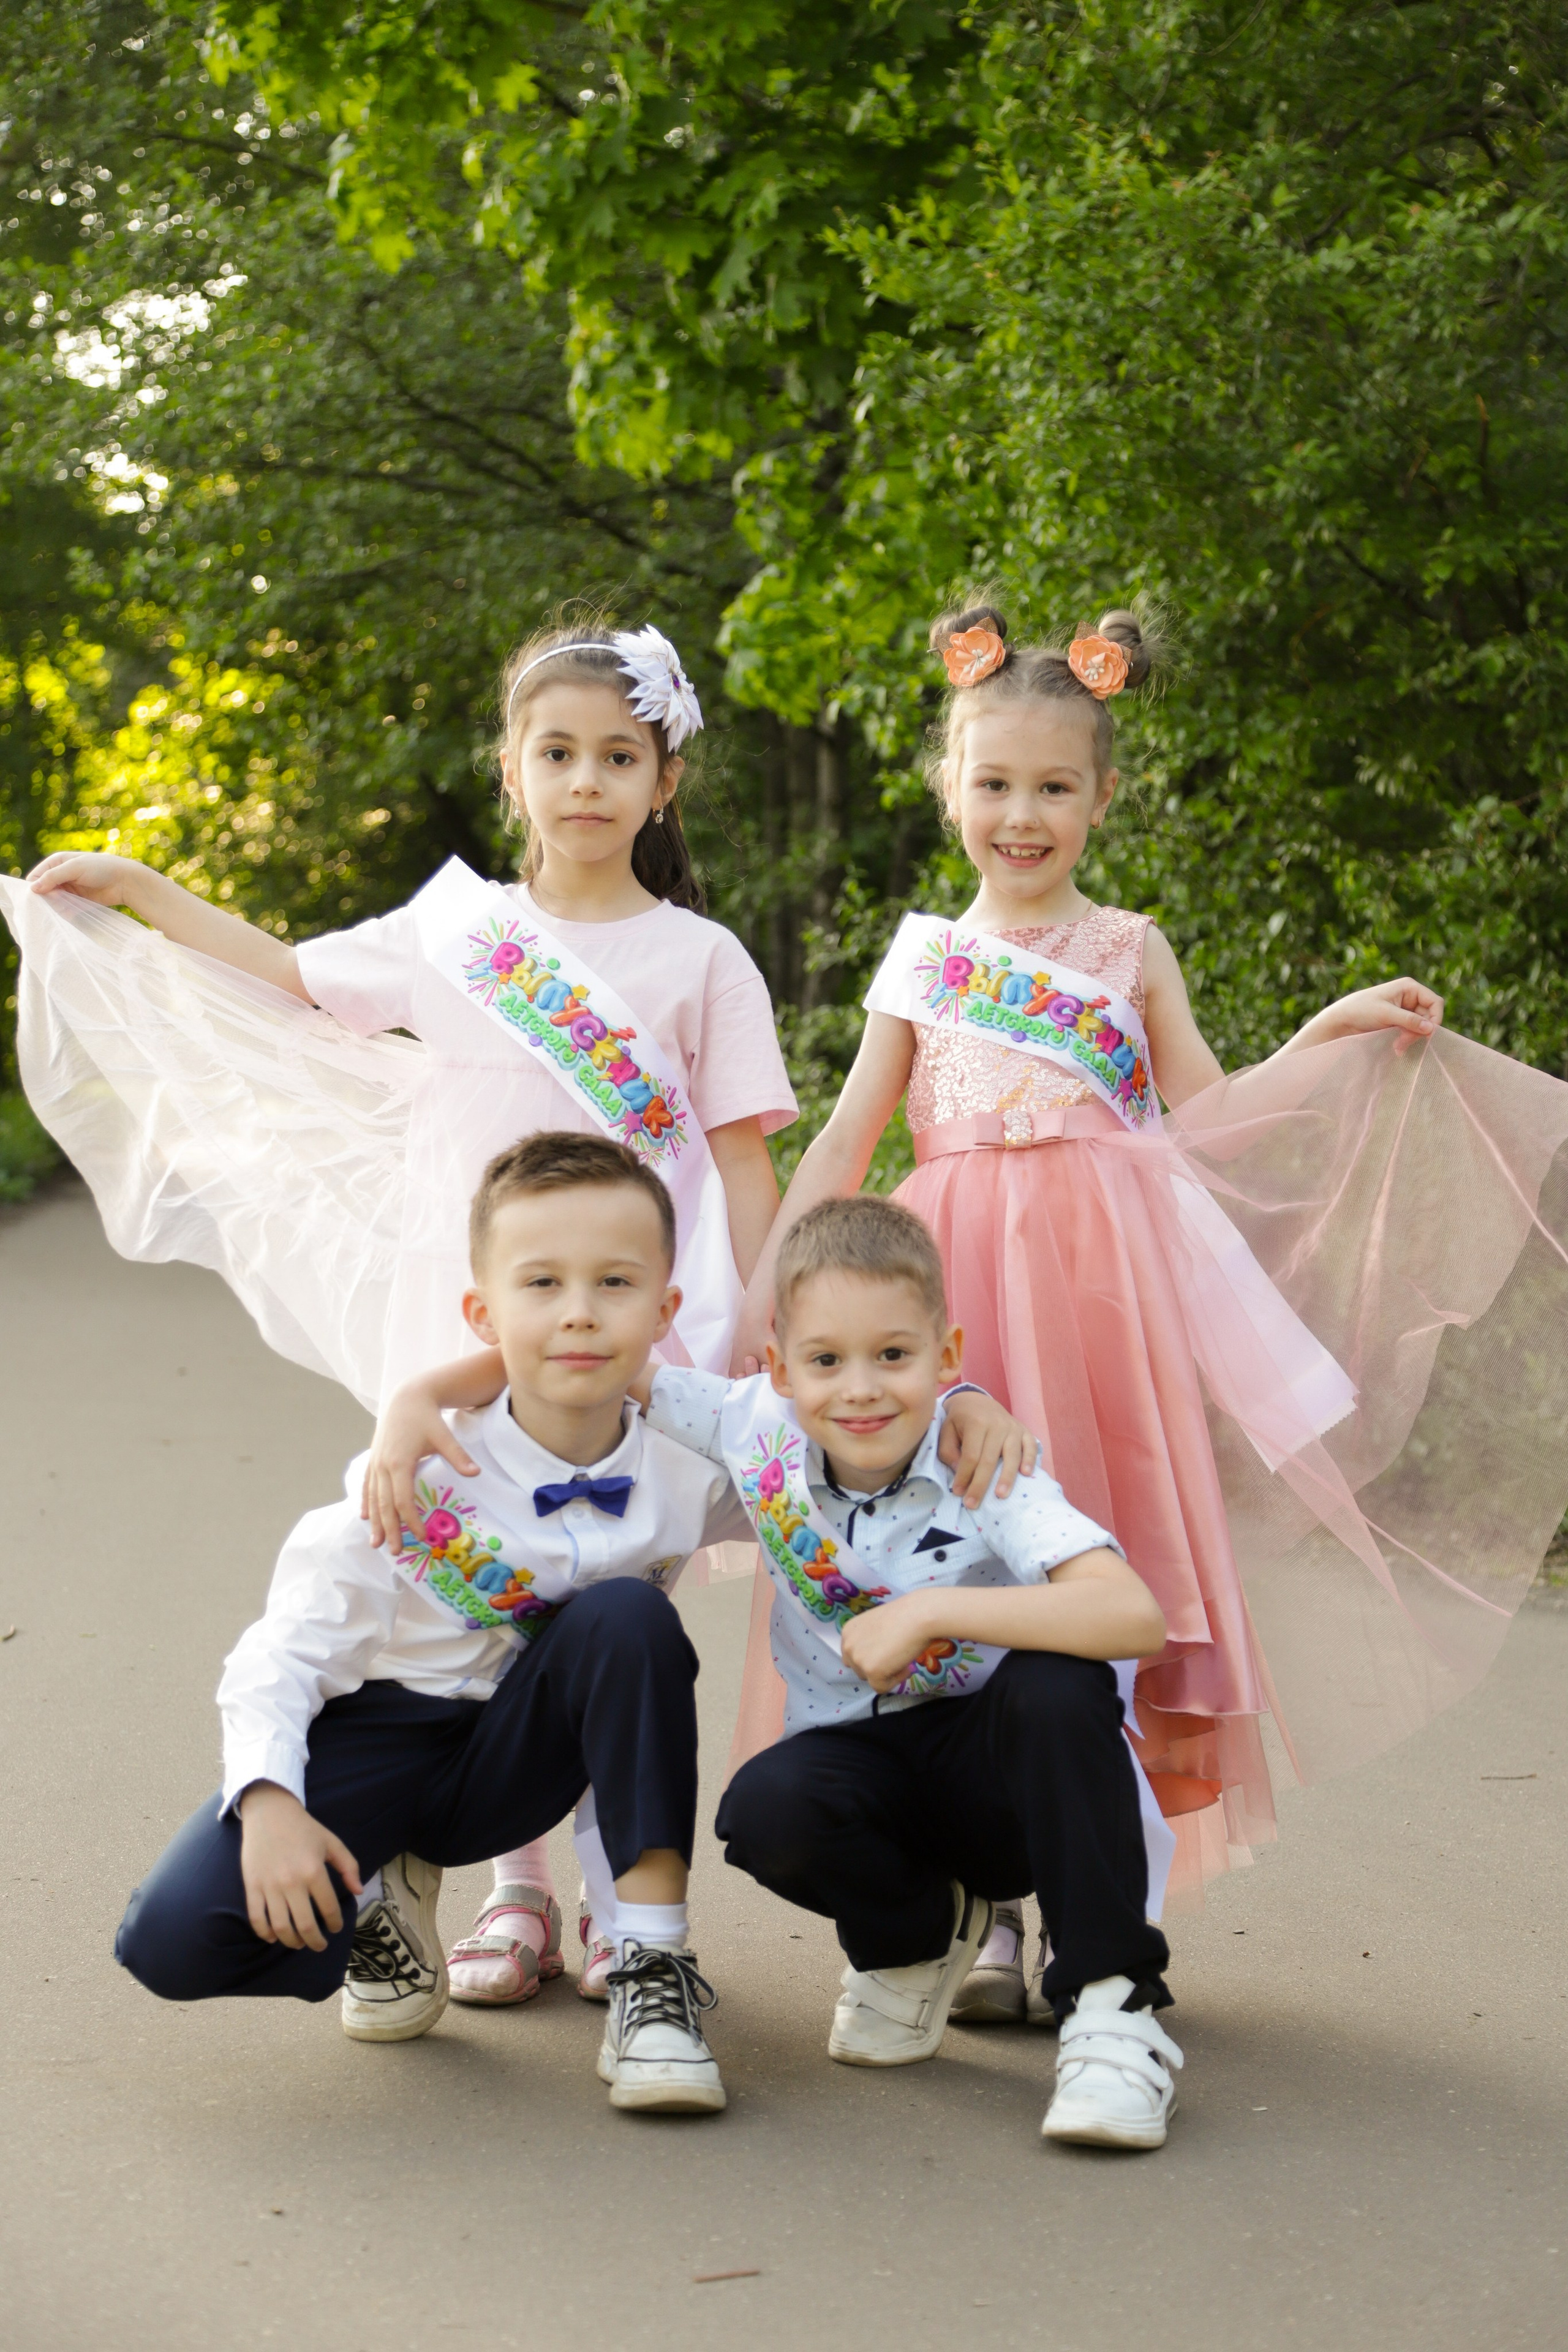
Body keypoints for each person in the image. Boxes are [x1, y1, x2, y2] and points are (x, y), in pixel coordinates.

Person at [727, 600, 1568, 2016]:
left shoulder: (1131, 948)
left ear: (1103, 795)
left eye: (1054, 785)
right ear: (949, 788)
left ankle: (1085, 1911)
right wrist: (775, 1299)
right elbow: (843, 1140)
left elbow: (1216, 1119)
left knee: (1092, 1578)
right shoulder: (923, 956)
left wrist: (1325, 1037)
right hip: (950, 1305)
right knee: (965, 1576)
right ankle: (982, 1910)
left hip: (1104, 1311)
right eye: (992, 782)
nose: (1020, 812)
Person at [2, 621, 797, 2007]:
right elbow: (301, 977)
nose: (586, 783)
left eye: (619, 757)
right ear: (512, 769)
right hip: (463, 1316)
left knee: (620, 1600)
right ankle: (517, 1899)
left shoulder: (703, 958)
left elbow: (737, 1157)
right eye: (556, 754)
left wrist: (753, 1327)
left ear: (663, 780)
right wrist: (143, 891)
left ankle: (630, 1909)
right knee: (473, 1596)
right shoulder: (454, 937)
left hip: (642, 1324)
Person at [115, 1131, 754, 2113]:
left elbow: (844, 1453)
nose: (579, 1313)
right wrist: (269, 1803)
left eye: (615, 1284)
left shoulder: (695, 1466)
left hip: (524, 1757)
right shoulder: (409, 1479)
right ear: (482, 1314)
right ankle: (372, 1900)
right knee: (171, 1937)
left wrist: (961, 1408)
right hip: (385, 1733)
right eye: (540, 1284)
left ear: (665, 1310)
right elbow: (279, 1657)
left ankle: (650, 1973)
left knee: (628, 1619)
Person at [637, 1193, 1182, 2151]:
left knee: (1060, 1684)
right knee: (765, 1810)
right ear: (777, 1367)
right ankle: (917, 1942)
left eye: (894, 1356)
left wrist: (929, 1609)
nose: (860, 1390)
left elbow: (1131, 1614)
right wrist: (418, 1407)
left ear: (947, 1356)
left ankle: (1112, 2008)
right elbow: (606, 1369)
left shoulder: (986, 1465)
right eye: (825, 1360)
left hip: (1011, 1785)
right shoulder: (748, 1423)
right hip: (866, 1767)